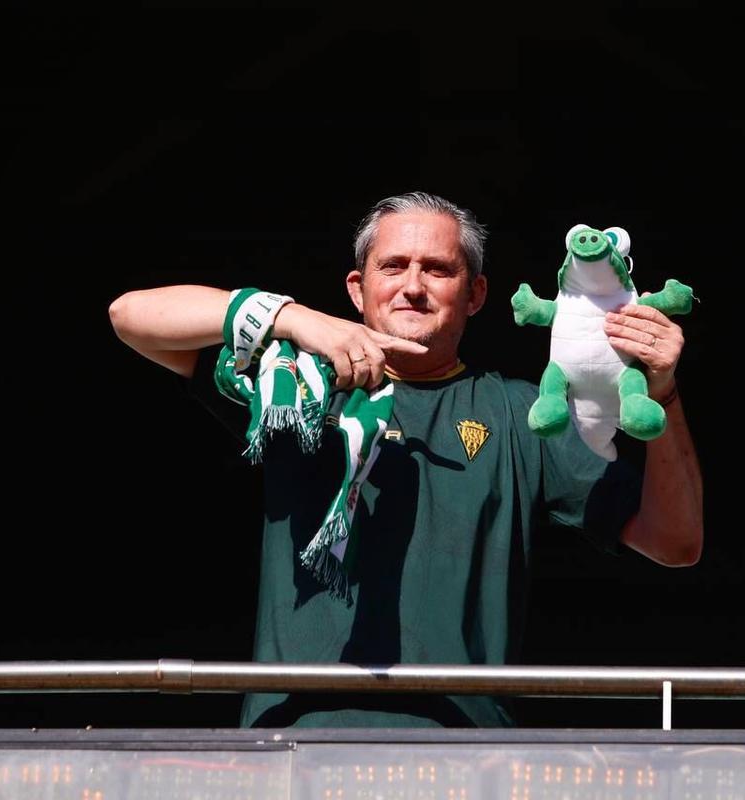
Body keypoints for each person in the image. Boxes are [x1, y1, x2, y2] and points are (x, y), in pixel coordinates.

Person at [109, 191, 703, 727]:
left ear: (475, 295)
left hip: (461, 752)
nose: (412, 285)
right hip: (292, 744)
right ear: (356, 288)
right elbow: (131, 318)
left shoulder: (520, 412)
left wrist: (663, 393)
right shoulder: (295, 381)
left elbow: (675, 542)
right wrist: (294, 320)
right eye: (392, 266)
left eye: (437, 269)